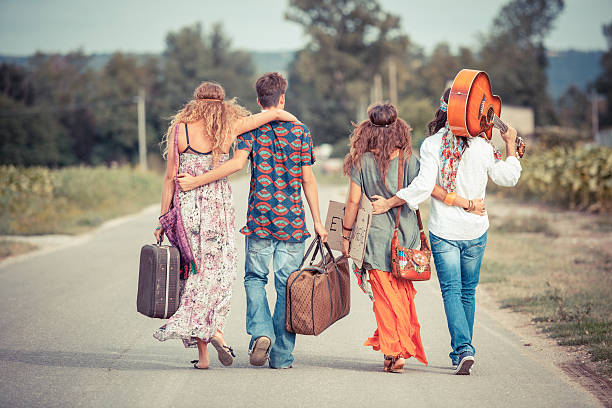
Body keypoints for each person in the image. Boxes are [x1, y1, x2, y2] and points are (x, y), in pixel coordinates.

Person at [175, 72, 328, 369]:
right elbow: (308, 180)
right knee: (287, 285)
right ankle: (281, 357)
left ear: (259, 101)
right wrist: (318, 221)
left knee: (255, 279)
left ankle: (260, 332)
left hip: (259, 218)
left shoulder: (252, 131)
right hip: (293, 222)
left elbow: (235, 164)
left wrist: (196, 181)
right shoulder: (300, 132)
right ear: (282, 98)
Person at [371, 88, 521, 375]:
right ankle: (462, 349)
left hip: (445, 232)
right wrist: (511, 145)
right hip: (476, 230)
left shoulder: (431, 145)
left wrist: (391, 202)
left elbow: (424, 187)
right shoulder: (483, 146)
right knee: (468, 292)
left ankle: (463, 349)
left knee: (452, 291)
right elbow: (509, 177)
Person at [152, 81, 298, 369]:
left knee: (193, 270)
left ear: (195, 102)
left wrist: (162, 217)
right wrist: (288, 117)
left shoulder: (180, 129)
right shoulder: (229, 125)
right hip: (217, 206)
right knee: (217, 272)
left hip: (188, 205)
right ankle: (214, 329)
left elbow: (169, 177)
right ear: (222, 103)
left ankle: (205, 354)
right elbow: (270, 115)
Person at [341, 103, 483, 373]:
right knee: (402, 296)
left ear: (368, 130)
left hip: (373, 239)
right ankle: (395, 347)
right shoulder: (410, 161)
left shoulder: (361, 162)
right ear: (399, 130)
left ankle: (394, 352)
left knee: (384, 299)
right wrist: (466, 203)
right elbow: (431, 189)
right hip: (405, 239)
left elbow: (352, 202)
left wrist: (346, 236)